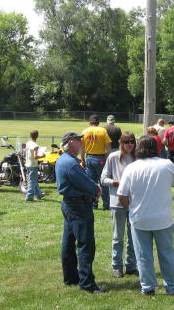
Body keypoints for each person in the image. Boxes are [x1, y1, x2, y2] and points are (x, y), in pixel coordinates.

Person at [118, 135, 174, 296]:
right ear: (157, 148)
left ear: (139, 148)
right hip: (163, 218)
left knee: (143, 255)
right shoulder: (166, 164)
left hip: (139, 218)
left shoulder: (131, 168)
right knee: (167, 254)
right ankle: (172, 287)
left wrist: (130, 209)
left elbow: (122, 195)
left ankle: (147, 287)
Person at [56, 132, 106, 293]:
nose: (81, 143)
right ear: (70, 142)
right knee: (86, 245)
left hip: (70, 205)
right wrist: (96, 189)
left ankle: (71, 277)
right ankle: (87, 283)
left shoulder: (64, 160)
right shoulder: (70, 163)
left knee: (69, 242)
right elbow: (86, 183)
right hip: (78, 206)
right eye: (78, 140)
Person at [100, 132, 137, 278]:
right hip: (117, 202)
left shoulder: (137, 158)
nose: (130, 144)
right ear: (121, 143)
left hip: (134, 202)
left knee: (133, 236)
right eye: (127, 141)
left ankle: (131, 265)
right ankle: (117, 266)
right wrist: (118, 183)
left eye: (132, 141)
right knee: (118, 237)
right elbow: (103, 179)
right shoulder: (113, 157)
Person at [82, 114, 112, 210]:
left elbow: (82, 149)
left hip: (89, 157)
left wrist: (83, 160)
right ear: (98, 123)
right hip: (100, 159)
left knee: (92, 182)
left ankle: (94, 204)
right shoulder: (102, 131)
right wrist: (110, 159)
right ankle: (106, 204)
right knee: (103, 181)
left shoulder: (85, 131)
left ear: (90, 123)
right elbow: (108, 147)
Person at [25, 130, 45, 201]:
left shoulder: (28, 143)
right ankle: (29, 197)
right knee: (32, 182)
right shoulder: (35, 146)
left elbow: (26, 151)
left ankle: (39, 195)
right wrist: (42, 156)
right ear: (37, 136)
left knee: (34, 180)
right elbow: (35, 156)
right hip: (33, 165)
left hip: (28, 164)